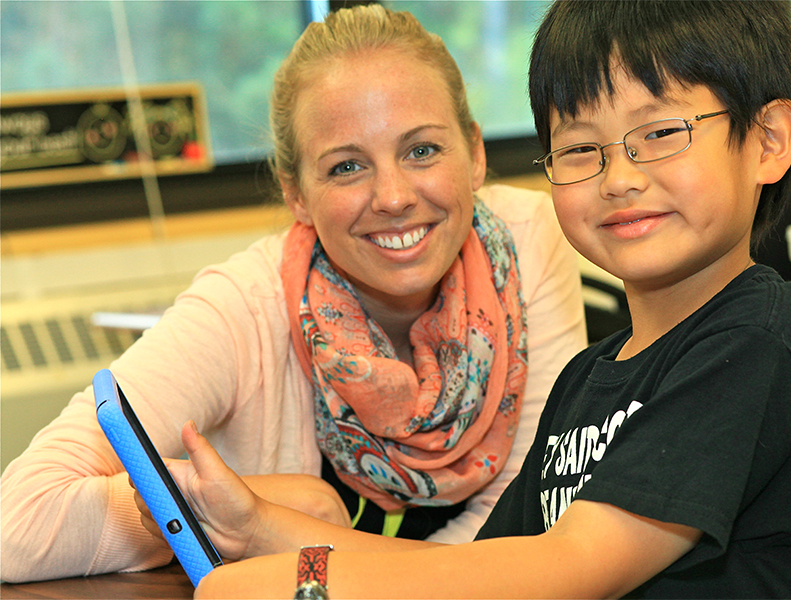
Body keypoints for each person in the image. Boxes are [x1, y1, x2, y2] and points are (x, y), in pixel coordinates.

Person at [136, 1, 791, 598]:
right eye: (579, 149)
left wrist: (305, 587)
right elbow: (475, 564)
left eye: (659, 134)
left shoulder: (759, 342)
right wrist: (260, 528)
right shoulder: (588, 381)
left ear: (768, 140)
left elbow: (560, 570)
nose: (619, 178)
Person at [0, 4, 588, 584]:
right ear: (297, 195)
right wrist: (242, 505)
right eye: (346, 168)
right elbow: (17, 522)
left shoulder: (529, 244)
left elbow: (528, 523)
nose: (392, 196)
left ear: (476, 153)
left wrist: (275, 529)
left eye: (422, 151)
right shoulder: (243, 310)